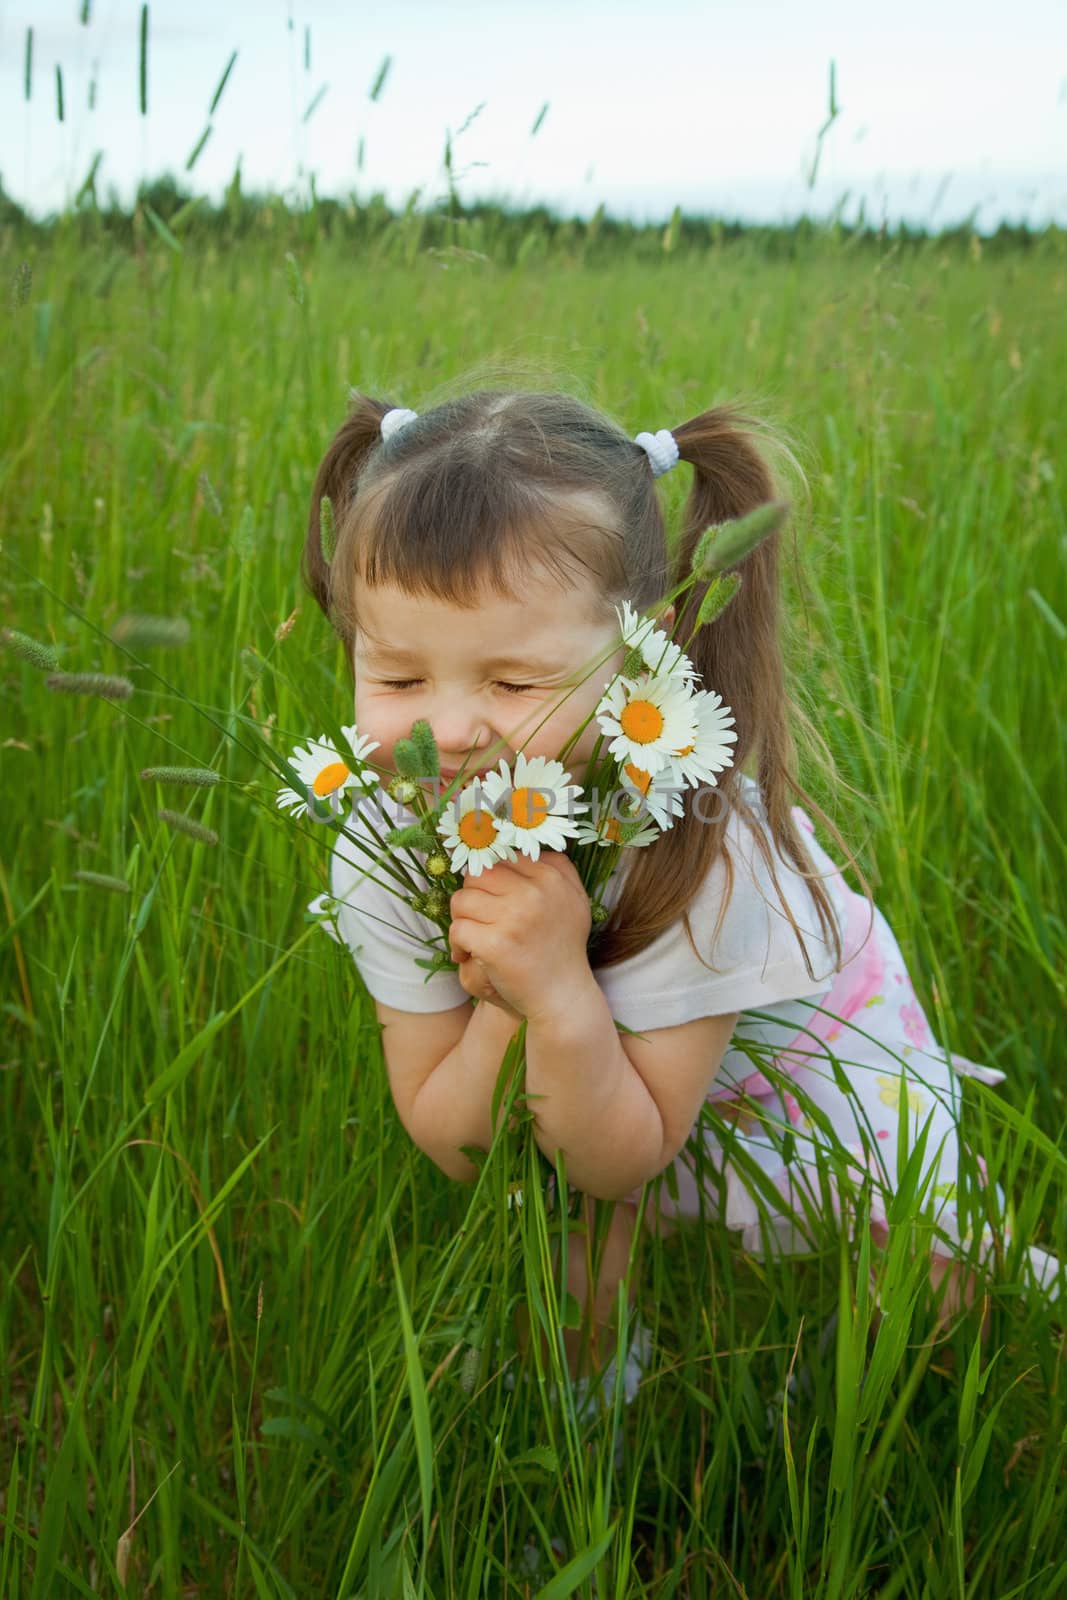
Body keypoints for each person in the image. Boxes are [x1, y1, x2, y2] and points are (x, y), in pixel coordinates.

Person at [299, 387, 1060, 1407]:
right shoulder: (381, 840)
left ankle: (862, 1418)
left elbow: (627, 1151)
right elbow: (461, 1142)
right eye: (395, 679)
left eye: (513, 685)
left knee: (922, 1278)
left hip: (802, 1063)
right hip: (604, 1081)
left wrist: (558, 992)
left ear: (640, 651)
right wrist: (511, 1003)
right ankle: (575, 1432)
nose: (451, 728)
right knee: (558, 1207)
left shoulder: (698, 849)